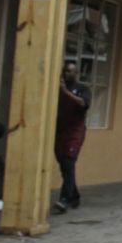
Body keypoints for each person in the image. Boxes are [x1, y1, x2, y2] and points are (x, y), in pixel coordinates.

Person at [52, 59, 90, 214]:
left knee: (68, 162)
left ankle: (65, 199)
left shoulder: (82, 89)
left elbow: (83, 103)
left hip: (75, 131)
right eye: (65, 71)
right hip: (60, 130)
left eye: (71, 71)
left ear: (76, 73)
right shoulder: (57, 89)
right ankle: (74, 195)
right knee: (63, 165)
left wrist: (66, 93)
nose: (67, 74)